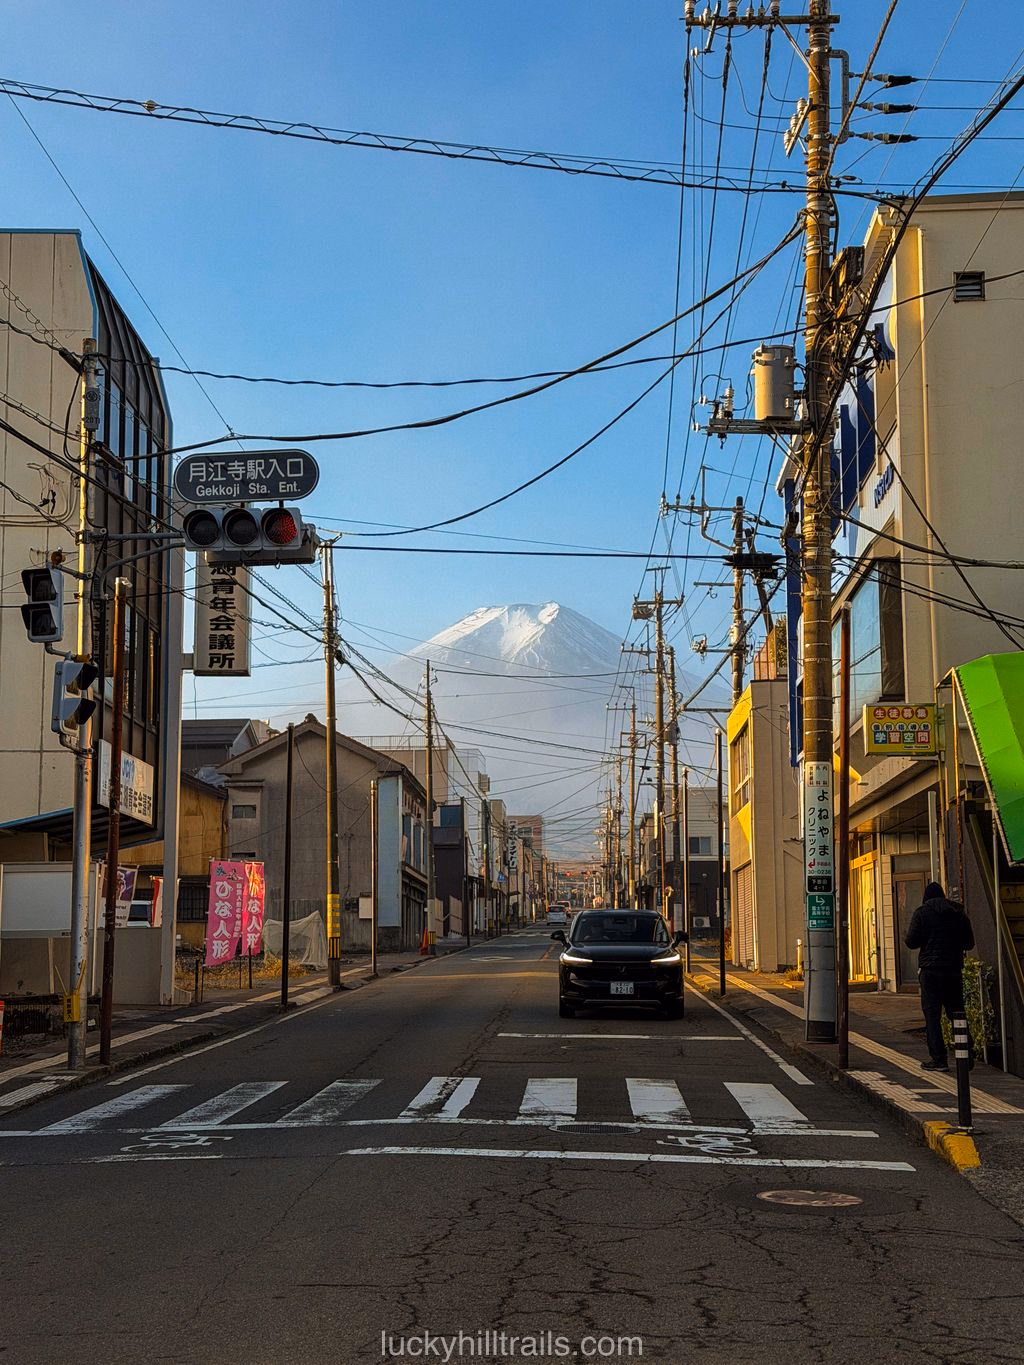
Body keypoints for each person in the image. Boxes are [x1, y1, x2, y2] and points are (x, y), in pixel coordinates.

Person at [904, 881, 975, 1072]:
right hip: (953, 970)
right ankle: (965, 1053)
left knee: (932, 1016)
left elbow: (911, 942)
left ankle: (939, 1060)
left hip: (930, 972)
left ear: (926, 898)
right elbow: (969, 944)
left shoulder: (921, 913)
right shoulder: (958, 913)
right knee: (957, 1013)